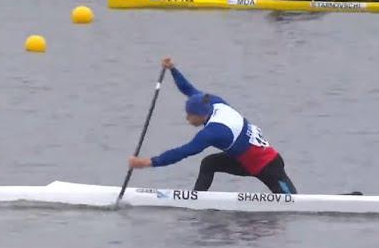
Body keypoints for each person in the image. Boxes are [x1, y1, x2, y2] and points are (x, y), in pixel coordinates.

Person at [128, 58, 298, 194]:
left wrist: (147, 162)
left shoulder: (213, 132)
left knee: (293, 203)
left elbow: (183, 152)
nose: (187, 119)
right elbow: (189, 89)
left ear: (201, 115)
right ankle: (197, 201)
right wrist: (173, 69)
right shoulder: (214, 102)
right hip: (244, 161)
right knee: (209, 163)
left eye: (190, 115)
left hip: (268, 166)